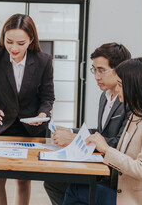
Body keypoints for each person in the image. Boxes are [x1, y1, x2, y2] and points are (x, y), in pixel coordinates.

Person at [63, 57, 142, 205]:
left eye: (120, 85)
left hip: (136, 200)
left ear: (135, 88)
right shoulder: (135, 116)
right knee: (77, 187)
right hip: (123, 190)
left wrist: (106, 149)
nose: (116, 89)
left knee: (75, 190)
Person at [0, 13, 55, 205]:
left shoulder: (43, 61)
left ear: (30, 40)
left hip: (30, 127)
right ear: (3, 37)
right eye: (9, 41)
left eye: (20, 43)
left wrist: (42, 114)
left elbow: (47, 97)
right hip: (1, 124)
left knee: (23, 181)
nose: (14, 48)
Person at [44, 43, 131, 205]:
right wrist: (70, 130)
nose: (97, 76)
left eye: (102, 70)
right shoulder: (105, 97)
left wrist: (74, 139)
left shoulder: (129, 101)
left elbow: (120, 144)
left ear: (120, 69)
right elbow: (101, 132)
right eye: (94, 70)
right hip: (100, 166)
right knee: (53, 182)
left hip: (115, 177)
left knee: (66, 186)